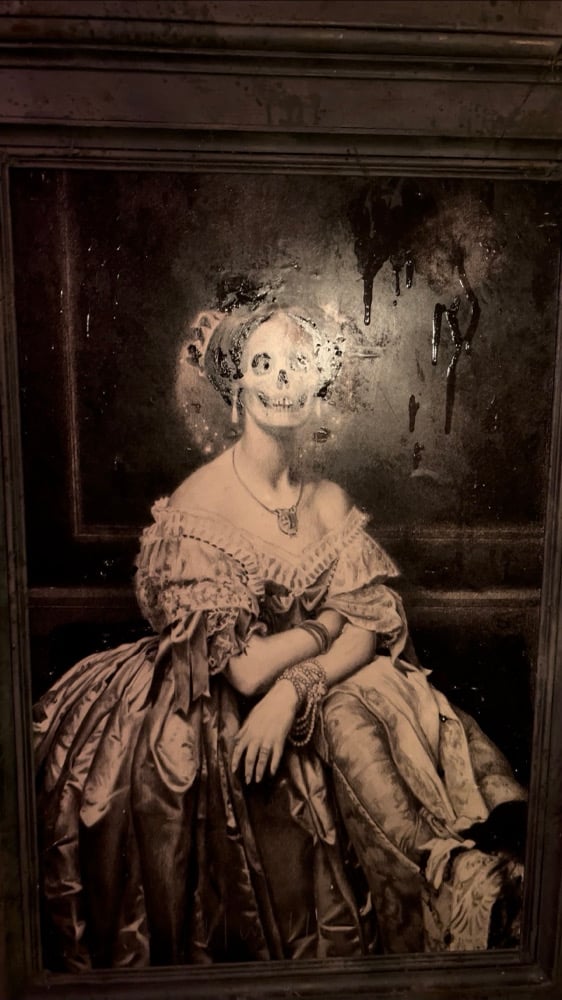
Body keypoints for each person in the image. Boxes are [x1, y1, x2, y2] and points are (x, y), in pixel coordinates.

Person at [34, 298, 526, 970]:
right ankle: (449, 881)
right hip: (212, 702)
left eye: (299, 361)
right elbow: (244, 670)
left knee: (388, 704)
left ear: (319, 379)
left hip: (311, 692)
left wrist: (297, 686)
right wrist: (326, 626)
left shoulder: (327, 500)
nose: (284, 378)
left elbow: (368, 631)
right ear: (235, 386)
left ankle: (472, 870)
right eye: (263, 363)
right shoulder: (201, 505)